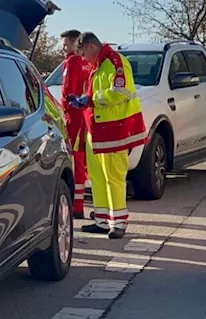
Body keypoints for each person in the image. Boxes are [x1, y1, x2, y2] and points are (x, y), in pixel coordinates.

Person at [68, 32, 147, 238]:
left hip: (115, 130)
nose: (84, 59)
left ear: (92, 47)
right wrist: (85, 100)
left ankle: (118, 223)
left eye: (84, 53)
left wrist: (90, 99)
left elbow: (121, 91)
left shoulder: (115, 61)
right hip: (97, 129)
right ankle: (102, 220)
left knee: (114, 176)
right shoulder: (100, 64)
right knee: (97, 177)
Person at [59, 29, 92, 218]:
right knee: (84, 161)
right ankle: (80, 203)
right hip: (85, 115)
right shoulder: (87, 62)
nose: (63, 48)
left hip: (74, 116)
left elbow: (68, 91)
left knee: (75, 160)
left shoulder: (72, 61)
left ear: (74, 42)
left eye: (65, 44)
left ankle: (77, 205)